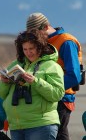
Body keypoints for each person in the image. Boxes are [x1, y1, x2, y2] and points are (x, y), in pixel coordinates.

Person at [0, 29, 65, 140]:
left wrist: (35, 82)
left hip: (41, 125)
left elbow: (57, 94)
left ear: (40, 46)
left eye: (31, 48)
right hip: (16, 126)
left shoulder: (52, 66)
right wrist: (4, 82)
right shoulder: (16, 64)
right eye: (25, 49)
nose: (28, 52)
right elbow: (1, 94)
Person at [26, 12, 82, 140]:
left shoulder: (66, 42)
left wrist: (51, 88)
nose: (35, 38)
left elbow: (74, 76)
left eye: (36, 34)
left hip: (61, 99)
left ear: (45, 27)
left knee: (59, 135)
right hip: (45, 97)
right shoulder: (44, 41)